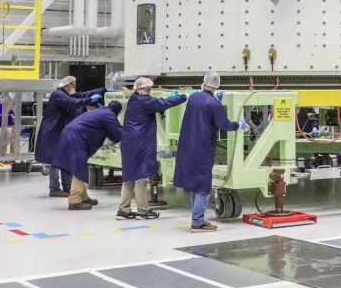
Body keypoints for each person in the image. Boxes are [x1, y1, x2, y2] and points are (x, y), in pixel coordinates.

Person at [173, 72, 246, 233]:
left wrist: (215, 101)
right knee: (203, 186)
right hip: (202, 148)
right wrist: (238, 125)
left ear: (204, 83)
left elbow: (202, 110)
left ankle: (196, 218)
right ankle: (198, 223)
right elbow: (224, 124)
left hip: (187, 146)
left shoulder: (194, 98)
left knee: (194, 184)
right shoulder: (214, 104)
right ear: (217, 85)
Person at [118, 77, 187, 221]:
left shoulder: (134, 99)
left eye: (150, 89)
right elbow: (163, 104)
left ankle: (123, 210)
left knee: (129, 178)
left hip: (129, 143)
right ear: (138, 89)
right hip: (139, 144)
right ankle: (143, 211)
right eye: (147, 89)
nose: (149, 92)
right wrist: (183, 97)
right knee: (140, 178)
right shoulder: (145, 101)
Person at [35, 76, 107, 197]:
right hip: (52, 131)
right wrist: (89, 99)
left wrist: (102, 90)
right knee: (55, 160)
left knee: (64, 158)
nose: (75, 87)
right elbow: (73, 103)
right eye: (74, 84)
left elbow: (81, 95)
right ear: (68, 85)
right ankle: (54, 188)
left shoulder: (65, 94)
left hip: (59, 130)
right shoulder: (58, 95)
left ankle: (67, 187)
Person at [54, 100, 124, 210]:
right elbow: (119, 133)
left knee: (81, 168)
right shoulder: (109, 115)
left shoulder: (101, 111)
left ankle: (83, 197)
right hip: (76, 139)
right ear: (117, 112)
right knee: (79, 169)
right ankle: (74, 200)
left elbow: (110, 132)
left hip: (71, 135)